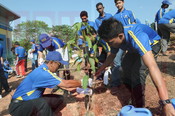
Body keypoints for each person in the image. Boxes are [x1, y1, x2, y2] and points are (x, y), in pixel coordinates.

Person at [96, 18, 175, 115]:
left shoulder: (137, 36)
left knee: (138, 71)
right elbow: (111, 56)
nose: (109, 45)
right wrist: (100, 70)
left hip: (152, 44)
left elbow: (152, 67)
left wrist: (166, 102)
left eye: (110, 42)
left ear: (120, 36)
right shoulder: (114, 37)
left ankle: (138, 106)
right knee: (125, 67)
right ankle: (133, 94)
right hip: (133, 48)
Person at [8, 51, 86, 116]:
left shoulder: (44, 70)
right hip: (19, 107)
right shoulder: (43, 73)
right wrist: (85, 82)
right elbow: (66, 83)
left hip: (29, 102)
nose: (59, 67)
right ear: (51, 62)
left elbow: (61, 83)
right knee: (42, 104)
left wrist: (79, 90)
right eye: (59, 64)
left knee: (58, 99)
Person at [111, 0, 136, 87]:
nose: (118, 5)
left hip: (130, 40)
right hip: (121, 42)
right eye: (116, 4)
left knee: (132, 61)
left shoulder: (129, 13)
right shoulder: (115, 16)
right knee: (116, 61)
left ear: (123, 2)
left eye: (119, 3)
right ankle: (116, 82)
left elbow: (134, 24)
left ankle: (132, 81)